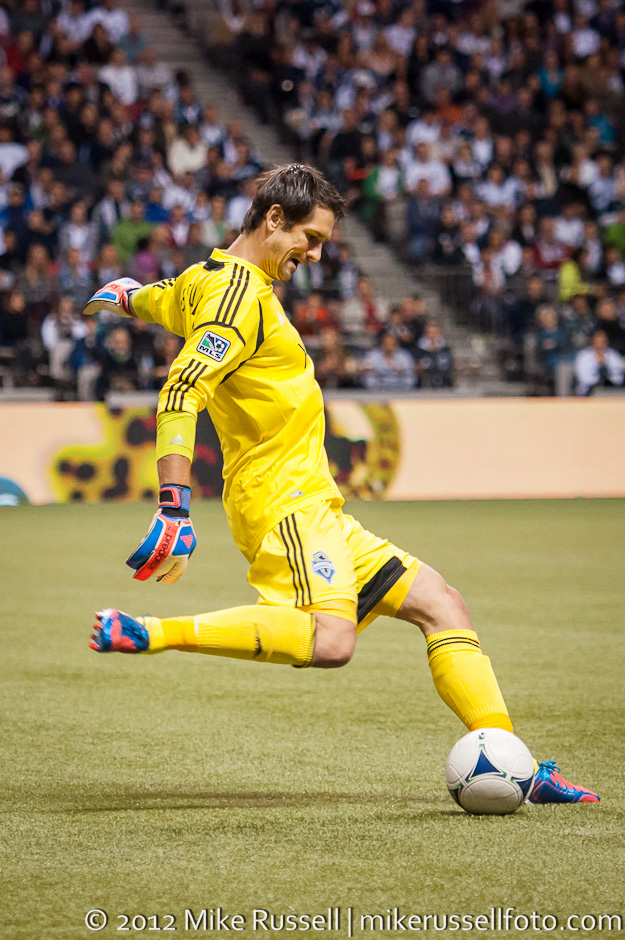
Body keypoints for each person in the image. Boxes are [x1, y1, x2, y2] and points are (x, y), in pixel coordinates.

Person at [84, 164, 598, 805]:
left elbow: (161, 298)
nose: (316, 255)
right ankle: (150, 632)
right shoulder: (238, 298)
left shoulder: (205, 280)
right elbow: (181, 391)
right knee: (332, 641)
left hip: (316, 505)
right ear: (274, 218)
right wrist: (173, 506)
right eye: (312, 238)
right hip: (284, 504)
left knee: (441, 602)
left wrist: (127, 297)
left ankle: (515, 762)